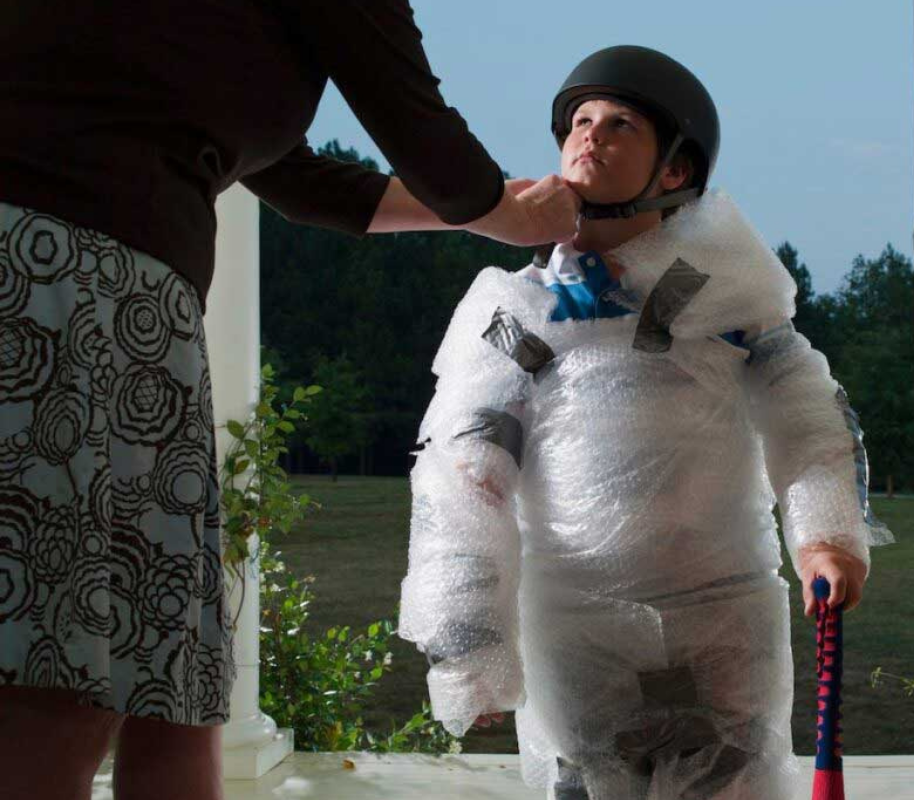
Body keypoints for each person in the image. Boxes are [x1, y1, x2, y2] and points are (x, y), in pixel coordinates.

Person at [0, 2, 580, 799]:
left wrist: (486, 214)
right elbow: (422, 132)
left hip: (118, 311)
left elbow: (289, 176)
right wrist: (502, 210)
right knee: (60, 679)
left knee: (172, 681)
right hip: (63, 292)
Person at [398, 45, 894, 800]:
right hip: (578, 634)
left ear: (675, 170)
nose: (589, 135)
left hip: (721, 623)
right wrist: (468, 640)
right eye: (580, 122)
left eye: (620, 124)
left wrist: (825, 538)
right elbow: (464, 475)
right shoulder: (517, 315)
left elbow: (806, 415)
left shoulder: (723, 295)